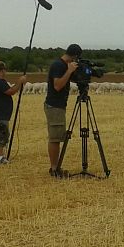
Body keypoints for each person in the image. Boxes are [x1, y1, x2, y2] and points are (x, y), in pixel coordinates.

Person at [44, 44, 81, 178]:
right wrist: (69, 71)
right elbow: (58, 86)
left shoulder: (64, 66)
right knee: (55, 138)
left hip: (58, 106)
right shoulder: (58, 65)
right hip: (54, 106)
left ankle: (56, 167)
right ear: (74, 56)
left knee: (58, 136)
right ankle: (54, 169)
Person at [0, 61, 27, 164]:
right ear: (2, 70)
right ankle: (0, 158)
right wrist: (20, 82)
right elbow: (11, 91)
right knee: (0, 134)